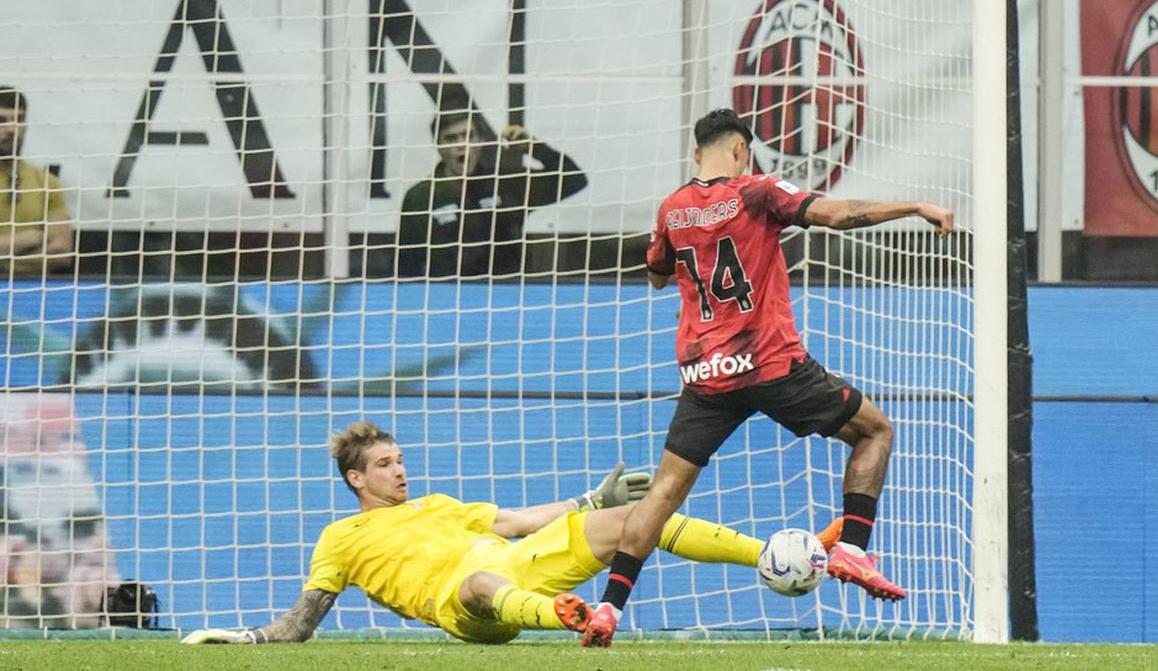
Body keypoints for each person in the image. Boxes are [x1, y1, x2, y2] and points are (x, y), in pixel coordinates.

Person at [580, 108, 955, 647]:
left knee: (661, 495)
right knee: (875, 431)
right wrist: (914, 205)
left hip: (707, 374)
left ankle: (609, 610)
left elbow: (658, 275)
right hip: (771, 363)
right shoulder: (757, 190)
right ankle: (851, 546)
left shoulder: (672, 208)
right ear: (740, 151)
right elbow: (835, 214)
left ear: (695, 154)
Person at [181, 421, 805, 645]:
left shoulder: (438, 503)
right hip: (467, 605)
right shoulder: (340, 539)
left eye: (400, 460)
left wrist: (594, 499)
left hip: (517, 561)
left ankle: (771, 555)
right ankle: (567, 617)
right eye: (384, 465)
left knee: (632, 521)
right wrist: (247, 640)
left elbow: (514, 522)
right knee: (480, 580)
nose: (399, 471)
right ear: (354, 479)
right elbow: (301, 622)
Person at [397, 106, 587, 278]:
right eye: (451, 138)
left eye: (468, 135)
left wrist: (533, 147)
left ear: (480, 141)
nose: (462, 145)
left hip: (505, 297)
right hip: (447, 301)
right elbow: (405, 265)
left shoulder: (506, 184)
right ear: (437, 145)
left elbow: (574, 180)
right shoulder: (420, 197)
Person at [0, 86, 72, 277]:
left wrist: (4, 262)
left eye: (18, 120)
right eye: (1, 121)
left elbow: (61, 252)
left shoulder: (46, 182)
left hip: (31, 295)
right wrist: (29, 239)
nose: (11, 129)